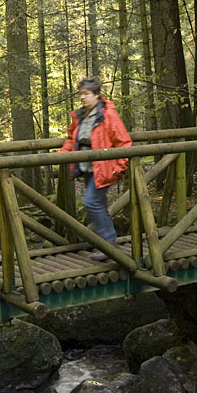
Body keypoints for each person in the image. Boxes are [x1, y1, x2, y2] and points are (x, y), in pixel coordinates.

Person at [59, 76, 132, 260]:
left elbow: (124, 142)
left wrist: (119, 167)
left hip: (104, 168)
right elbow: (71, 139)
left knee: (90, 202)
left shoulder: (108, 115)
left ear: (97, 95)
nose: (82, 97)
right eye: (80, 94)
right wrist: (61, 154)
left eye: (86, 94)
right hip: (87, 168)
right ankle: (105, 242)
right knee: (97, 204)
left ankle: (108, 244)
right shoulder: (80, 116)